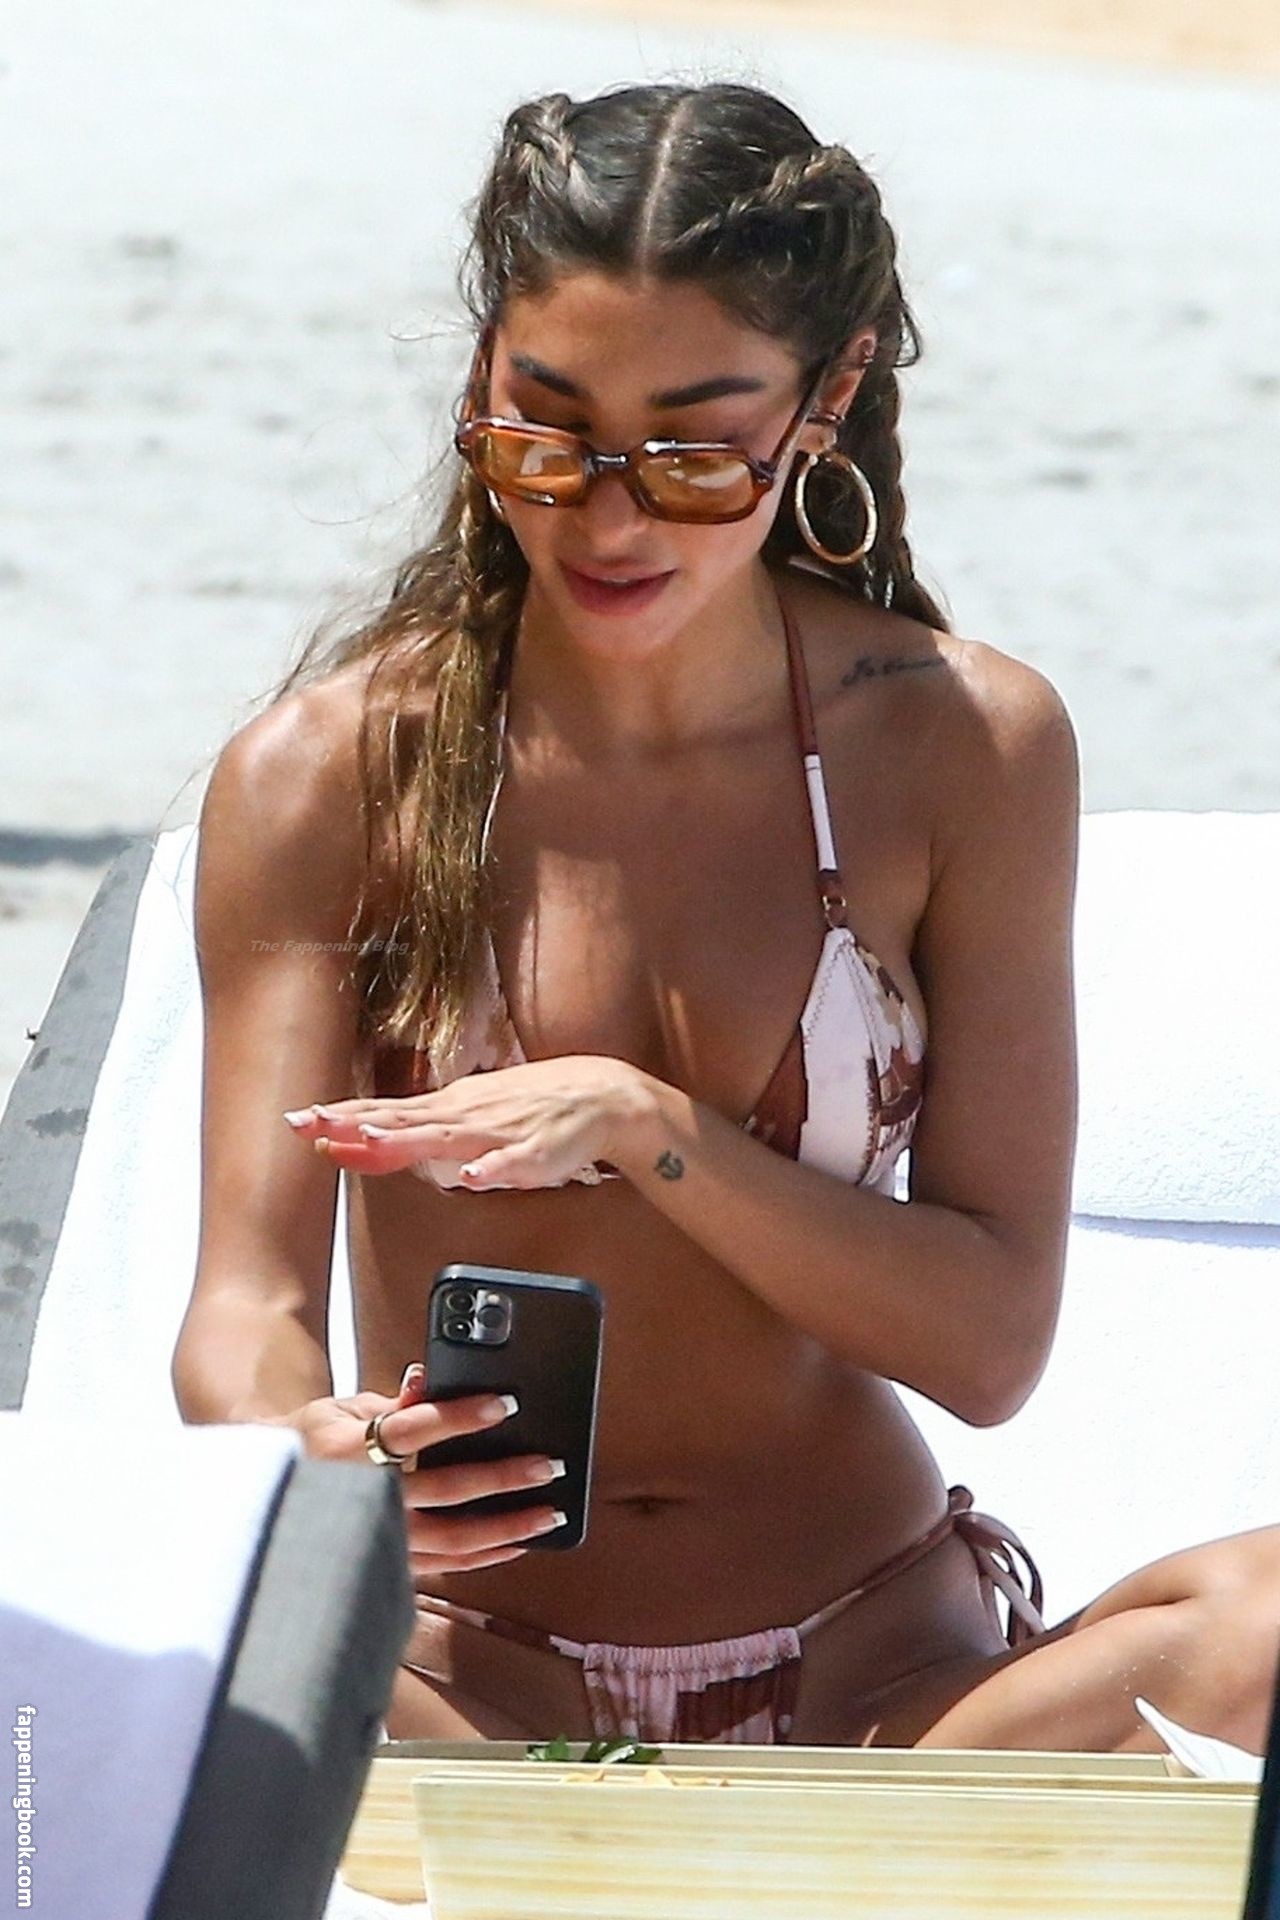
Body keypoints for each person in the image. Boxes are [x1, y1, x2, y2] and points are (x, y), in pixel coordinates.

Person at [172, 80, 1280, 1751]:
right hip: (463, 1691)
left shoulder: (960, 745)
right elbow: (242, 1306)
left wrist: (651, 1130)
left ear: (826, 398)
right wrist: (299, 1453)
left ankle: (728, 1851)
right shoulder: (330, 772)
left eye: (693, 455)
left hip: (881, 1691)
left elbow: (991, 1344)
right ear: (480, 381)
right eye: (547, 435)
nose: (607, 517)